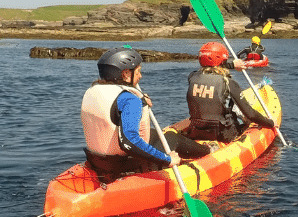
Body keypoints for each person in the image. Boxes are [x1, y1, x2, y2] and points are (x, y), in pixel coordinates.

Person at [81, 45, 210, 181]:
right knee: (172, 138)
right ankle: (208, 152)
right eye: (138, 72)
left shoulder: (94, 90)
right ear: (125, 74)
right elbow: (129, 142)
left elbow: (114, 114)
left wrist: (141, 101)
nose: (140, 76)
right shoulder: (130, 99)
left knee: (154, 133)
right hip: (123, 164)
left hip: (97, 160)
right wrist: (167, 159)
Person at [185, 42, 275, 143]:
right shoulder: (229, 83)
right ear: (223, 60)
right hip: (222, 135)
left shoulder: (192, 77)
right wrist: (270, 123)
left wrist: (231, 65)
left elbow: (210, 68)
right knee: (243, 119)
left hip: (196, 131)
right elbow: (250, 114)